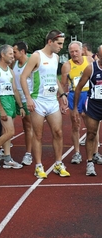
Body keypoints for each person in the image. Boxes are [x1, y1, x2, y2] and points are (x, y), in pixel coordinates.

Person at [20, 30, 70, 179]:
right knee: (38, 134)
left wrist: (61, 94)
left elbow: (54, 77)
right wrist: (28, 98)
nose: (61, 46)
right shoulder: (36, 56)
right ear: (50, 42)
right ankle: (39, 166)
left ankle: (58, 164)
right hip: (38, 101)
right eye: (59, 43)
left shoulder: (55, 57)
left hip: (52, 101)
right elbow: (23, 77)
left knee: (58, 132)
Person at [0, 45, 25, 169]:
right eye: (10, 54)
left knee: (6, 132)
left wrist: (20, 106)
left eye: (13, 54)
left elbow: (14, 89)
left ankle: (7, 158)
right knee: (10, 132)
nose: (13, 56)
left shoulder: (10, 70)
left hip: (11, 100)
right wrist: (1, 109)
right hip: (2, 100)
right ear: (2, 55)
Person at [61, 41, 96, 164]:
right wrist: (62, 98)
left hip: (88, 95)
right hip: (74, 95)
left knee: (92, 126)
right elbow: (62, 84)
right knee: (75, 124)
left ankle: (95, 153)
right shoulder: (67, 65)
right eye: (71, 52)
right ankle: (77, 153)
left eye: (76, 51)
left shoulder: (90, 61)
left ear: (82, 50)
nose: (74, 54)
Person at [73, 45, 102, 176]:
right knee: (91, 133)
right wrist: (75, 108)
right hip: (94, 106)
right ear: (98, 55)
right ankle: (90, 163)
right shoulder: (91, 68)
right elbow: (78, 88)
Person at [12, 41, 33, 165]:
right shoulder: (14, 63)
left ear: (22, 51)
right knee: (8, 126)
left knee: (27, 126)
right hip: (15, 97)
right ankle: (5, 152)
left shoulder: (31, 62)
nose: (13, 54)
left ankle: (29, 153)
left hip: (26, 97)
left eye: (15, 52)